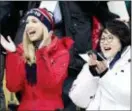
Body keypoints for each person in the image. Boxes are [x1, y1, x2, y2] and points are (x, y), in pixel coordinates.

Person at [0, 8, 74, 111]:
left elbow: (49, 84)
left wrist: (41, 53)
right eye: (27, 22)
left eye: (34, 21)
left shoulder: (61, 52)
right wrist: (12, 54)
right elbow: (13, 87)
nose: (28, 25)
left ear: (46, 27)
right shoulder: (21, 51)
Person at [69, 20, 131, 110]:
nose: (105, 42)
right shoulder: (94, 62)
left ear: (122, 40)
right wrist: (92, 74)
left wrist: (105, 75)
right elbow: (78, 100)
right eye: (103, 38)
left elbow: (127, 98)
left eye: (110, 38)